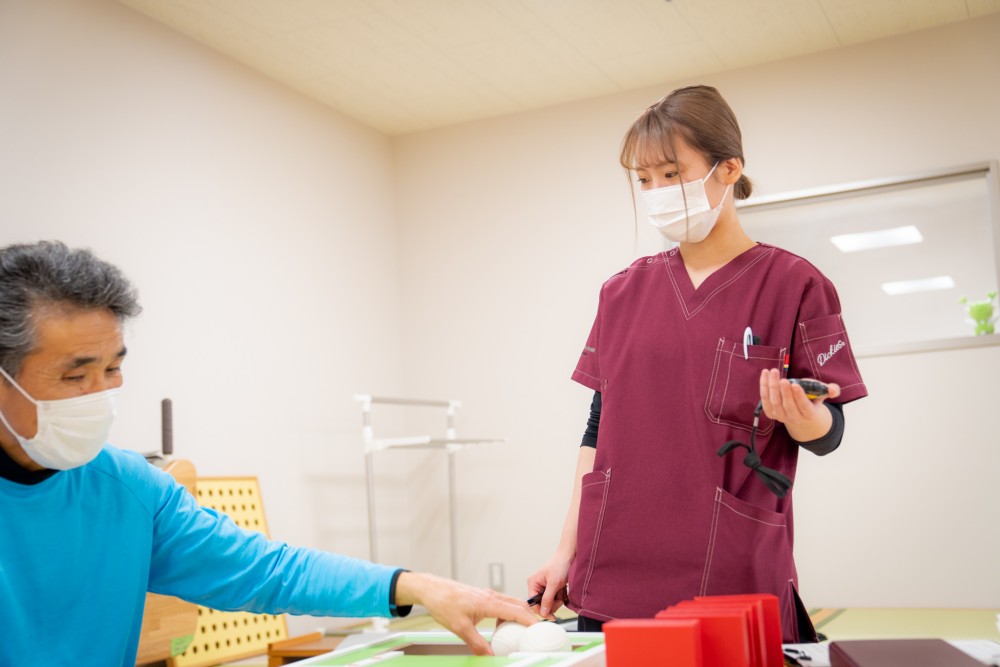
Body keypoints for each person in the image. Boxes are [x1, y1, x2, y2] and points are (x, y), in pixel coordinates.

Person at [0, 240, 536, 665]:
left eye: (113, 368)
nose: (102, 395)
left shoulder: (129, 489)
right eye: (76, 375)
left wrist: (416, 586)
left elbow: (265, 570)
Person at [527, 85, 868, 643]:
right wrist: (566, 550)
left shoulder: (795, 285)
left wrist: (803, 419)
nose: (657, 191)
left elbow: (830, 433)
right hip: (613, 571)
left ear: (728, 168)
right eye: (644, 179)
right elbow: (597, 432)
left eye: (671, 173)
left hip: (730, 571)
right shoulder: (621, 293)